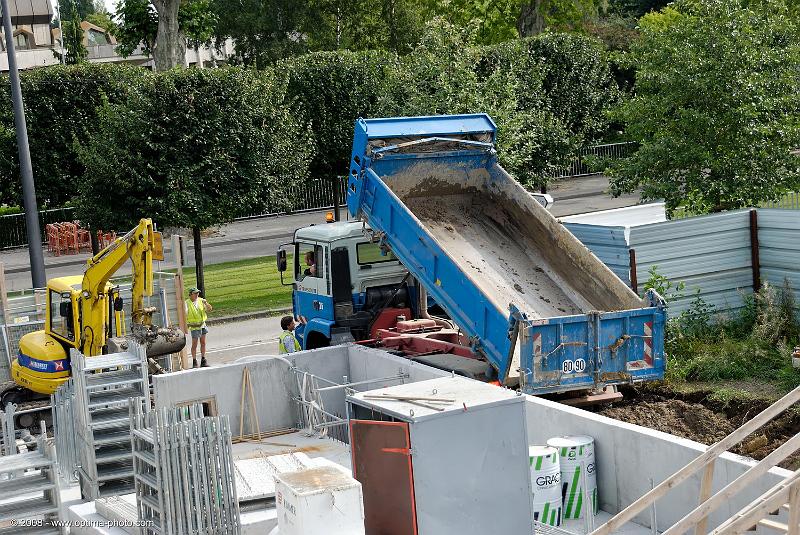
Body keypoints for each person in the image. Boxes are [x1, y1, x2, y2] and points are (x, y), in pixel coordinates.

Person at [185, 287, 212, 368]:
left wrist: (206, 303)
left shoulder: (201, 301)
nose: (197, 295)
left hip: (202, 325)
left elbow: (210, 309)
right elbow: (185, 314)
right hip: (194, 327)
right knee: (195, 344)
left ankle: (203, 360)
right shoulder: (186, 303)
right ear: (190, 295)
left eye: (198, 293)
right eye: (195, 293)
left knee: (203, 343)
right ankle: (194, 361)